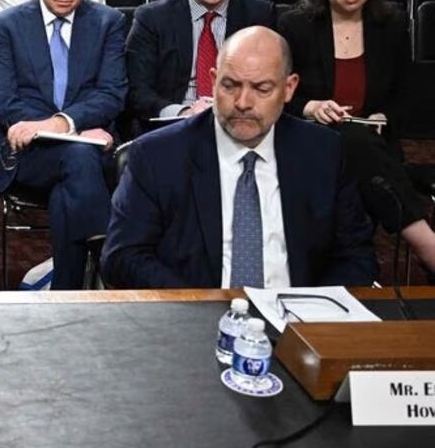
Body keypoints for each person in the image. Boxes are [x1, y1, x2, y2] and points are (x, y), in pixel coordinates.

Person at [102, 26, 378, 289]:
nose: (243, 103)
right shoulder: (158, 156)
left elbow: (355, 256)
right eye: (230, 86)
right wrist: (200, 305)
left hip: (298, 314)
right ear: (213, 81)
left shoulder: (323, 152)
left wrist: (312, 310)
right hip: (195, 312)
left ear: (289, 88)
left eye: (261, 89)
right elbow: (122, 257)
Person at [278, 0, 435, 276]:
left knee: (357, 143)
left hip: (376, 146)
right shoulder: (296, 26)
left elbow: (404, 96)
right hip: (310, 143)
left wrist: (383, 116)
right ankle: (427, 245)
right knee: (349, 138)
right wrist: (311, 107)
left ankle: (358, 270)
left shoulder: (391, 24)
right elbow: (275, 95)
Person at [0, 0, 127, 290]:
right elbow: (3, 100)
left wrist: (63, 123)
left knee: (68, 190)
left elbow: (112, 93)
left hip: (87, 155)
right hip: (28, 151)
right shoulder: (5, 26)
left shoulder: (108, 22)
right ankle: (109, 258)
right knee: (79, 158)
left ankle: (66, 290)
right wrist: (63, 129)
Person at [125, 0, 277, 131]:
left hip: (241, 122)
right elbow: (137, 91)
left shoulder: (259, 14)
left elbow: (271, 84)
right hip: (175, 127)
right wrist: (183, 113)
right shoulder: (151, 18)